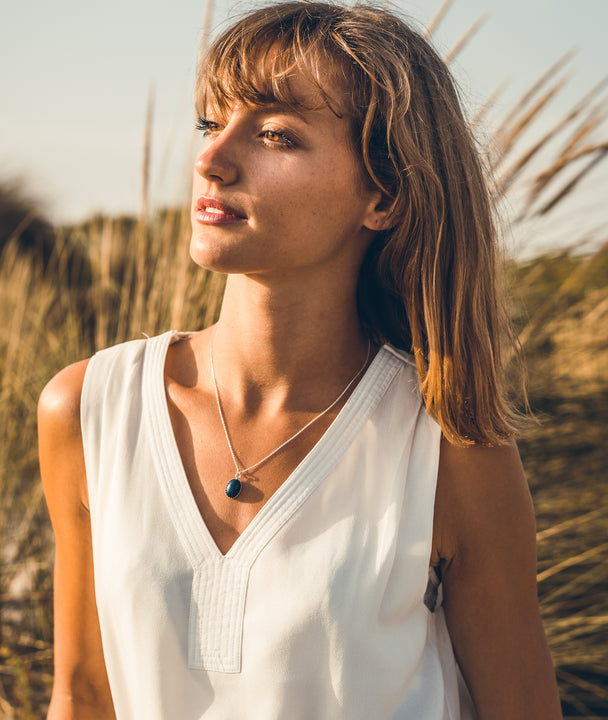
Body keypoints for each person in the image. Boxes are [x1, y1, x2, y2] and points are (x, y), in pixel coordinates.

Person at [38, 2, 563, 718]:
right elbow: (83, 695)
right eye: (209, 123)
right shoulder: (88, 407)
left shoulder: (446, 448)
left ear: (382, 195)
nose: (211, 160)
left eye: (276, 135)